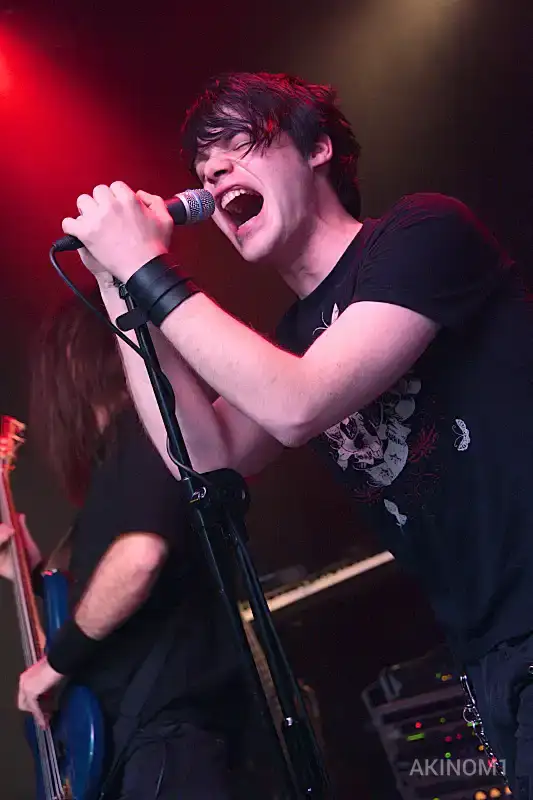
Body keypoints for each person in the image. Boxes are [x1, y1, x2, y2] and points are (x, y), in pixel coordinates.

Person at [60, 71, 533, 795]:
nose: (214, 174)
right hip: (490, 653)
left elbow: (298, 402)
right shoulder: (295, 340)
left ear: (316, 149)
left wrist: (145, 264)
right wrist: (116, 287)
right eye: (202, 167)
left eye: (239, 144)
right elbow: (205, 459)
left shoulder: (424, 232)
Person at [0, 291, 249, 799]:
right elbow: (102, 598)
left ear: (74, 361)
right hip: (141, 744)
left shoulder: (143, 432)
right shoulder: (114, 464)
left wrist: (54, 665)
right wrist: (27, 566)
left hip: (172, 738)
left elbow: (138, 560)